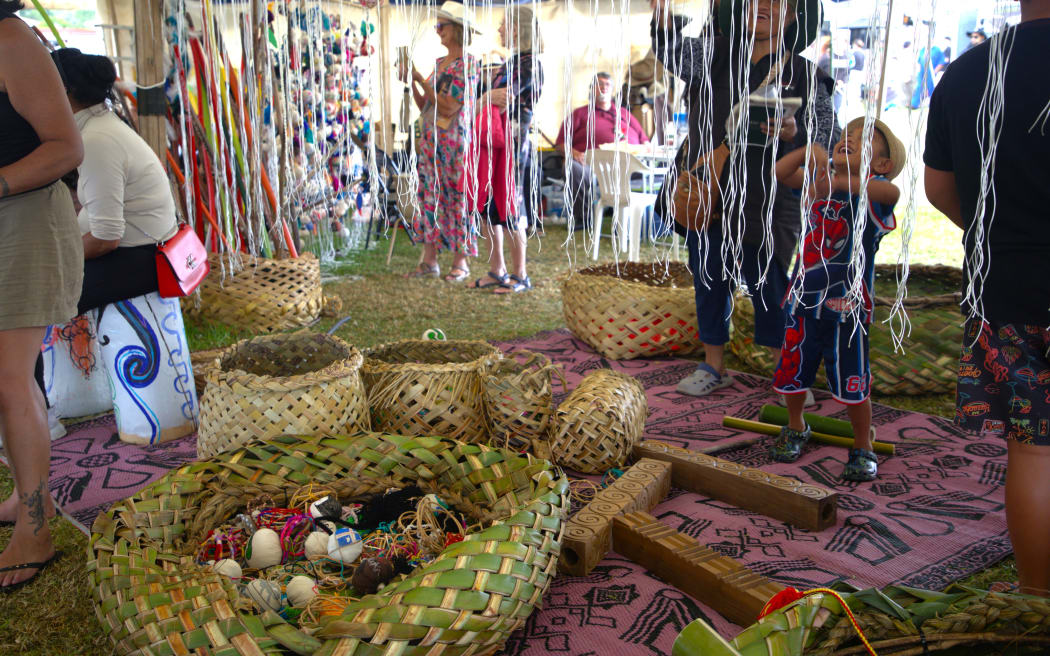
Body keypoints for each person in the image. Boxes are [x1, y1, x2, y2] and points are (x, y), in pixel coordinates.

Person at [924, 0, 1050, 596]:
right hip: (1008, 286)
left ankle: (1038, 599)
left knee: (1035, 452)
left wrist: (995, 238)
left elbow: (939, 188)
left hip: (1007, 289)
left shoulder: (969, 70)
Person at [651, 0, 836, 399]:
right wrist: (664, 19)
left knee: (770, 285)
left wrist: (795, 133)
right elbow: (671, 52)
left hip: (767, 200)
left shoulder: (807, 75)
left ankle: (786, 372)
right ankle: (713, 365)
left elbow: (826, 138)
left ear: (793, 16)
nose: (764, 6)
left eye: (777, 2)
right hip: (708, 191)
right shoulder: (714, 54)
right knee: (708, 277)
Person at [0, 0, 84, 589]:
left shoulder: (10, 39)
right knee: (9, 380)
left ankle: (36, 531)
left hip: (26, 220)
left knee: (10, 381)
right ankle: (26, 498)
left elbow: (65, 147)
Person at [770, 118, 905, 481]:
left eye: (862, 139)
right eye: (846, 135)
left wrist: (835, 182)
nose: (849, 139)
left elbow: (891, 194)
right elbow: (781, 173)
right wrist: (809, 150)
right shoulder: (819, 185)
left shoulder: (873, 193)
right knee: (794, 372)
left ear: (882, 164)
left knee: (853, 381)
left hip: (848, 309)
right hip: (803, 302)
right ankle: (796, 426)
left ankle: (862, 444)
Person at [51, 48, 178, 315]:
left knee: (35, 292)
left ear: (63, 91)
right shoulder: (100, 125)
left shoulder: (96, 140)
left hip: (138, 260)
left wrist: (55, 258)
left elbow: (105, 238)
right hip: (137, 253)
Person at [401, 1, 480, 282]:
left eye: (441, 26)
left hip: (454, 143)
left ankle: (461, 262)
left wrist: (422, 81)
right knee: (429, 197)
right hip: (431, 141)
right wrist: (412, 82)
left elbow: (449, 107)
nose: (437, 30)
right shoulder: (439, 64)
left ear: (457, 29)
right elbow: (427, 105)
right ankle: (429, 260)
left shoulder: (469, 65)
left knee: (456, 198)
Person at [472, 5, 543, 294]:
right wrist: (486, 98)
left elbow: (502, 98)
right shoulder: (512, 62)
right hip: (496, 141)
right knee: (490, 203)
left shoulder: (529, 64)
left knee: (511, 203)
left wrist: (485, 98)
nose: (500, 29)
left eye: (504, 24)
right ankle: (497, 269)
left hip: (513, 143)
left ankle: (520, 274)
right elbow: (491, 98)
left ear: (518, 28)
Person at [555, 72, 649, 232]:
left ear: (612, 90)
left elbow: (644, 139)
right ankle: (583, 217)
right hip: (591, 164)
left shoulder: (624, 114)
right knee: (572, 167)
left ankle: (651, 220)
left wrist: (646, 147)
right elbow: (560, 143)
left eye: (607, 84)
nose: (604, 88)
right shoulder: (579, 114)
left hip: (627, 164)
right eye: (599, 84)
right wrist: (573, 153)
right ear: (592, 89)